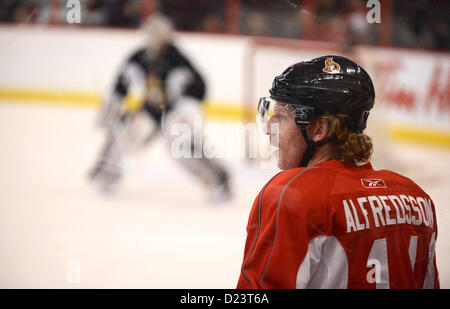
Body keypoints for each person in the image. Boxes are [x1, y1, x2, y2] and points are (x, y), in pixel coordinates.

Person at [237, 55, 439, 288]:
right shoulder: (416, 198)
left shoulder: (291, 195)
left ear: (319, 129)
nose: (269, 129)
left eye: (281, 116)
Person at [89, 12, 231, 202]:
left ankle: (218, 181)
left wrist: (185, 110)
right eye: (150, 35)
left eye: (158, 35)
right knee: (125, 132)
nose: (153, 39)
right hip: (148, 110)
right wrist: (108, 113)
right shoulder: (140, 57)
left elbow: (198, 86)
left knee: (182, 148)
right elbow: (120, 85)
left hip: (173, 112)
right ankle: (106, 173)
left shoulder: (177, 59)